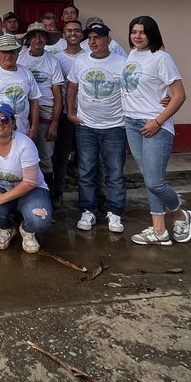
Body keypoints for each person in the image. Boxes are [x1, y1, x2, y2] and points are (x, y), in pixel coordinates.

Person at [122, 15, 191, 246]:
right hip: (132, 123)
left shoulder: (162, 58)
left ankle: (181, 215)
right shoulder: (131, 55)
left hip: (154, 125)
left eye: (142, 32)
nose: (137, 36)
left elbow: (180, 95)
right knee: (149, 179)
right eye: (134, 31)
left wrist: (158, 121)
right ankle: (159, 231)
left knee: (155, 182)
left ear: (152, 34)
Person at [66, 21, 127, 233]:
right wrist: (70, 113)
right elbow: (72, 86)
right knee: (86, 170)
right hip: (86, 126)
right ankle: (88, 211)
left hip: (115, 126)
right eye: (90, 38)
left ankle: (115, 213)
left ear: (109, 40)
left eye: (97, 37)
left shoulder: (122, 62)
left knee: (115, 172)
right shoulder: (80, 61)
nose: (92, 41)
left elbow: (133, 90)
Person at [0, 102, 53, 253]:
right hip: (1, 186)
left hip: (31, 189)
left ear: (13, 122)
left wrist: (2, 198)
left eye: (5, 119)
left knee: (40, 220)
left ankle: (27, 229)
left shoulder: (25, 144)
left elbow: (30, 182)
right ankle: (6, 228)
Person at [18, 22, 65, 183]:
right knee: (22, 152)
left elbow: (58, 94)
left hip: (45, 108)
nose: (38, 40)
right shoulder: (20, 58)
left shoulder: (52, 61)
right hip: (24, 108)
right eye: (34, 36)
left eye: (41, 36)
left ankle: (48, 194)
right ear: (29, 39)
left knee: (45, 155)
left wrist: (55, 123)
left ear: (46, 39)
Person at [52, 19, 87, 207]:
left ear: (82, 35)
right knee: (61, 156)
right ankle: (58, 191)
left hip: (87, 116)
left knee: (88, 158)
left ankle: (89, 196)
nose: (73, 34)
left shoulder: (89, 56)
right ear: (63, 35)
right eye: (69, 31)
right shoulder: (57, 58)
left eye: (77, 31)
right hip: (66, 114)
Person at [0, 35, 40, 139]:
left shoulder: (26, 73)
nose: (9, 55)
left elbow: (34, 101)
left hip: (22, 131)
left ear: (17, 53)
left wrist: (34, 128)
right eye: (4, 52)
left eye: (12, 51)